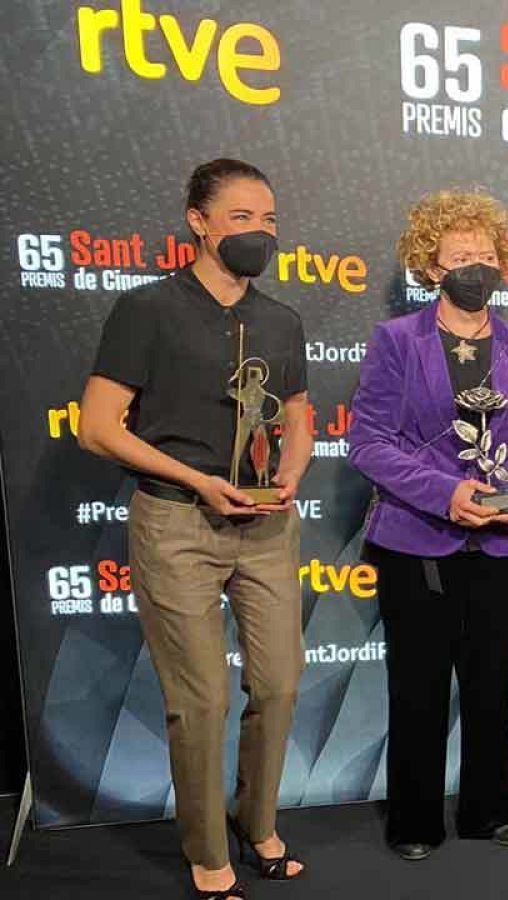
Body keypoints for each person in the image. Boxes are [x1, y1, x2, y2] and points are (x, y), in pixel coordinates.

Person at [77, 159, 309, 899]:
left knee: (278, 684)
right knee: (202, 697)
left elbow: (298, 421)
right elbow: (96, 427)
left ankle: (257, 820)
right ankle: (210, 853)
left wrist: (292, 475)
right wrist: (194, 478)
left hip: (267, 526)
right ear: (199, 221)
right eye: (241, 217)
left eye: (268, 218)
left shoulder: (282, 320)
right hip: (176, 523)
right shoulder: (147, 309)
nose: (259, 231)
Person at [348, 190, 508, 859]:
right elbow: (368, 442)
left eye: (486, 254)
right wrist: (448, 494)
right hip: (418, 543)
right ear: (431, 266)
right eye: (460, 255)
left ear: (504, 265)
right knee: (417, 684)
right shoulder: (397, 342)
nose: (476, 265)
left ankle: (490, 809)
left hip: (502, 546)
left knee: (490, 680)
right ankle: (413, 820)